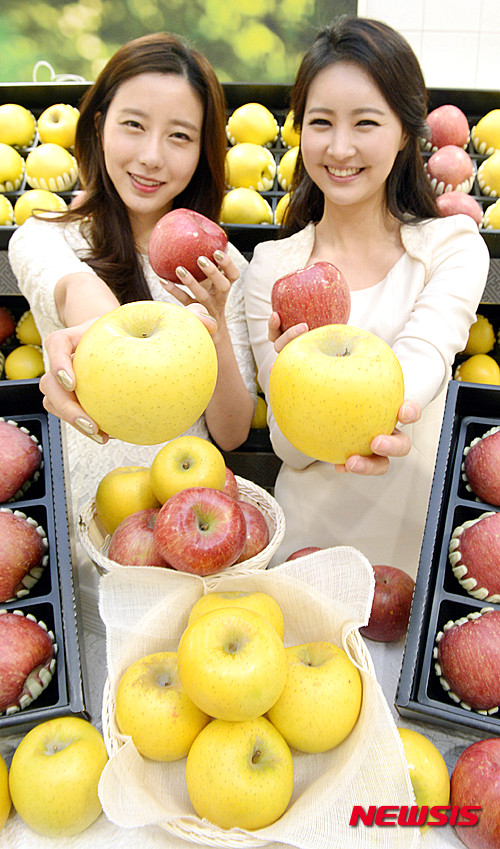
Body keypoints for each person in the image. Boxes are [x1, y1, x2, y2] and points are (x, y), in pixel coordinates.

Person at [243, 17, 490, 577]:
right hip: (306, 551)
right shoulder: (273, 268)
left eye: (366, 123)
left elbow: (423, 356)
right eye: (320, 122)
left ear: (405, 132)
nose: (340, 147)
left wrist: (373, 421)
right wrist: (290, 368)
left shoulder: (450, 247)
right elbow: (290, 447)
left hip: (416, 545)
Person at [8, 33, 257, 527]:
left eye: (179, 136)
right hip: (88, 519)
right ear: (99, 125)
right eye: (134, 125)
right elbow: (79, 289)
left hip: (187, 521)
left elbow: (230, 434)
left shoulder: (218, 267)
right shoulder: (44, 237)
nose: (151, 156)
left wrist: (216, 325)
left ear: (203, 149)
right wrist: (109, 336)